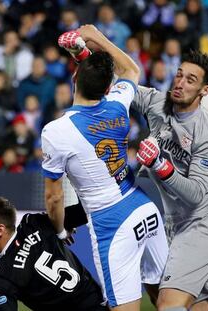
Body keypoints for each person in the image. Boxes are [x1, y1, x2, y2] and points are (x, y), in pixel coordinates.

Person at [42, 25, 168, 311]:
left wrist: (60, 231)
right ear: (108, 87)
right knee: (167, 301)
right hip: (144, 208)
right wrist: (97, 37)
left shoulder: (56, 131)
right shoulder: (118, 103)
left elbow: (54, 197)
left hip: (112, 223)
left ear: (75, 77)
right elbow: (131, 71)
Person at [133, 50, 208, 311]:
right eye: (179, 75)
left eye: (191, 80)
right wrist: (88, 49)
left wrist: (160, 166)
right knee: (167, 298)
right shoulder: (157, 103)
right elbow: (122, 85)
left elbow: (196, 193)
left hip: (199, 227)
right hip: (168, 226)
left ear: (204, 90)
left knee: (168, 305)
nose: (180, 83)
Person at [0, 196, 107, 311]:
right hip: (102, 303)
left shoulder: (2, 277)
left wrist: (61, 228)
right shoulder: (33, 223)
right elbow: (83, 211)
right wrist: (63, 227)